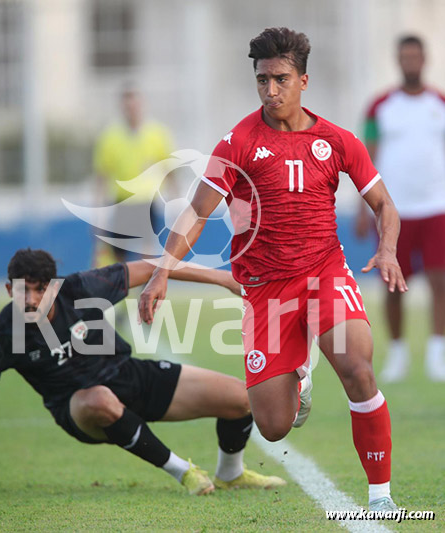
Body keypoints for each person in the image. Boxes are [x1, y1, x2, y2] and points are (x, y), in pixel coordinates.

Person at [139, 27, 407, 511]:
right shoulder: (239, 141)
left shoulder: (337, 141)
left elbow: (385, 205)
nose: (270, 90)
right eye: (262, 80)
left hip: (326, 273)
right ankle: (300, 375)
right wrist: (163, 270)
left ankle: (381, 496)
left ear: (304, 80)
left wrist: (387, 250)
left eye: (281, 79)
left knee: (357, 367)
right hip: (265, 291)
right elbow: (197, 212)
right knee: (273, 425)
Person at [0, 248, 285, 495]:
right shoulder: (1, 337)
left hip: (129, 376)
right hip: (80, 409)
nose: (30, 300)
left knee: (243, 397)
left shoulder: (79, 289)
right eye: (22, 290)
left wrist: (224, 279)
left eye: (39, 289)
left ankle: (231, 474)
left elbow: (152, 267)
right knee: (100, 400)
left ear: (53, 287)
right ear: (8, 289)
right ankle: (184, 471)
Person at [356, 35, 445, 383]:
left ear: (424, 59)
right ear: (398, 60)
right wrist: (364, 208)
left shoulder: (439, 102)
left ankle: (438, 354)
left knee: (441, 282)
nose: (410, 62)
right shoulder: (380, 106)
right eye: (404, 56)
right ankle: (397, 354)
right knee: (393, 283)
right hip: (395, 210)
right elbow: (367, 157)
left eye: (415, 56)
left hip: (437, 206)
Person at [93, 86, 174, 265]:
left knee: (147, 250)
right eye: (128, 106)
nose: (132, 110)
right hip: (122, 200)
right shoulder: (110, 137)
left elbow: (169, 169)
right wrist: (98, 211)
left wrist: (175, 200)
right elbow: (102, 176)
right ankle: (120, 288)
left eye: (135, 105)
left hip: (147, 200)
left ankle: (148, 290)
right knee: (119, 252)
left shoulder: (157, 134)